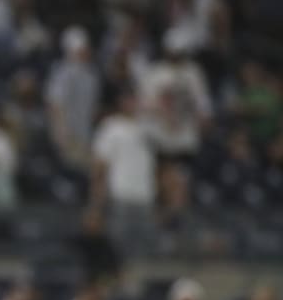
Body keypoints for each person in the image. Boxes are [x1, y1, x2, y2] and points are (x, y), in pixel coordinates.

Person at [91, 85, 156, 255]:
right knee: (118, 244)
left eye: (134, 100)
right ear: (120, 102)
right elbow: (100, 165)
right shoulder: (111, 127)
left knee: (143, 248)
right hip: (121, 193)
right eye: (127, 100)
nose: (131, 104)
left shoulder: (146, 128)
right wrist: (97, 200)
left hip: (144, 195)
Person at [139, 27, 212, 159]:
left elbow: (203, 104)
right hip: (160, 140)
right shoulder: (155, 73)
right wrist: (164, 110)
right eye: (173, 52)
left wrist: (203, 118)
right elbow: (143, 105)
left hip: (186, 140)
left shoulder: (194, 72)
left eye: (180, 52)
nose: (176, 55)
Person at [45, 26, 100, 169]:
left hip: (85, 135)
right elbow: (55, 103)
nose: (84, 53)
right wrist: (61, 133)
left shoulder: (92, 74)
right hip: (68, 134)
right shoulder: (63, 72)